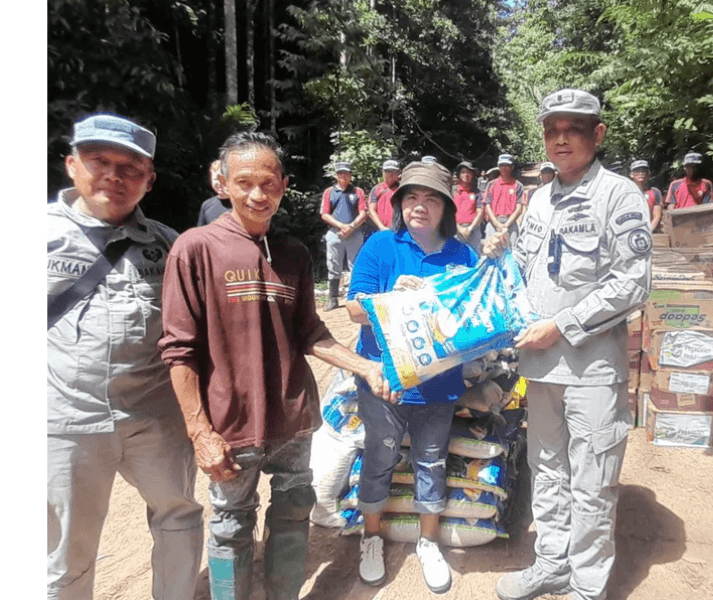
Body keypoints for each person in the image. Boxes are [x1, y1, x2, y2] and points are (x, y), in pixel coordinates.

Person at [158, 131, 397, 600]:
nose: (257, 194)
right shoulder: (195, 248)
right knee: (230, 524)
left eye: (268, 183)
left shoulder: (294, 254)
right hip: (230, 424)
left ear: (283, 187)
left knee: (293, 513)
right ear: (221, 183)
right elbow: (179, 349)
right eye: (244, 182)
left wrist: (366, 367)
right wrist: (200, 432)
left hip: (293, 420)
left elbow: (311, 332)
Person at [483, 89, 652, 600]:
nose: (561, 138)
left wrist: (561, 324)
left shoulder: (618, 195)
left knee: (593, 480)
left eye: (574, 128)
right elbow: (534, 273)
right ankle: (551, 564)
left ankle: (586, 586)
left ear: (597, 135)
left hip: (592, 369)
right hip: (540, 369)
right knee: (548, 471)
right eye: (552, 128)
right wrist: (501, 252)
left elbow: (634, 282)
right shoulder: (539, 198)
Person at [47, 113, 204, 600]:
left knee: (179, 517)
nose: (114, 176)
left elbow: (197, 330)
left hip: (155, 417)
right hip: (65, 419)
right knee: (64, 551)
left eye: (130, 168)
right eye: (100, 161)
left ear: (149, 180)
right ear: (73, 165)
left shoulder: (167, 244)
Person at [345, 161, 478, 594]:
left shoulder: (462, 255)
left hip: (438, 383)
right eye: (412, 197)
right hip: (384, 380)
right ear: (399, 203)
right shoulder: (381, 246)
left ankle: (428, 541)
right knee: (380, 455)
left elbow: (476, 318)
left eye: (432, 198)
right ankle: (371, 537)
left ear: (446, 207)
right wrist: (389, 300)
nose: (420, 206)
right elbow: (352, 309)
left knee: (432, 459)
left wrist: (441, 303)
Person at [320, 161, 369, 311]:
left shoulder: (357, 191)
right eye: (340, 173)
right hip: (335, 232)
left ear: (350, 175)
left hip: (354, 232)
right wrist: (342, 226)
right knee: (333, 265)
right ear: (336, 175)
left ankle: (355, 296)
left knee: (355, 265)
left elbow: (364, 212)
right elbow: (324, 214)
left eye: (346, 173)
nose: (343, 176)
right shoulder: (329, 192)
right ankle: (332, 299)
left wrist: (352, 226)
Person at [483, 153, 525, 246]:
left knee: (513, 253)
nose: (504, 168)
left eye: (507, 165)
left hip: (510, 223)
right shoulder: (491, 184)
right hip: (494, 223)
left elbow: (519, 208)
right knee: (491, 252)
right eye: (502, 165)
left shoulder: (518, 185)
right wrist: (496, 223)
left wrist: (506, 225)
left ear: (512, 167)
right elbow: (488, 205)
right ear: (498, 167)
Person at [454, 160, 485, 253]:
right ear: (459, 174)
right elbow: (448, 211)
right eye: (463, 172)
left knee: (474, 258)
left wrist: (470, 228)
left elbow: (480, 212)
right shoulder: (453, 191)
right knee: (456, 259)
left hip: (473, 230)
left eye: (469, 172)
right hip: (456, 229)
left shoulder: (477, 192)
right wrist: (459, 228)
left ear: (472, 175)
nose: (466, 175)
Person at [367, 159, 401, 232]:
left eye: (394, 171)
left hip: (400, 230)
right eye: (388, 171)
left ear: (398, 173)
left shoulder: (402, 188)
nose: (391, 174)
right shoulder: (376, 189)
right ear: (383, 173)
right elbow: (371, 210)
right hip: (380, 229)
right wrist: (381, 227)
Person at [629, 159, 663, 231]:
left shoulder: (655, 192)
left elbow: (657, 216)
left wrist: (649, 230)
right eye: (637, 171)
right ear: (632, 174)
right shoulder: (625, 192)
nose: (641, 173)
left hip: (651, 230)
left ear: (648, 174)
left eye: (644, 171)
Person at [196, 159, 231, 226]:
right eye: (215, 179)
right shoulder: (207, 205)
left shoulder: (240, 204)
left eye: (223, 179)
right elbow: (201, 233)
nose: (219, 183)